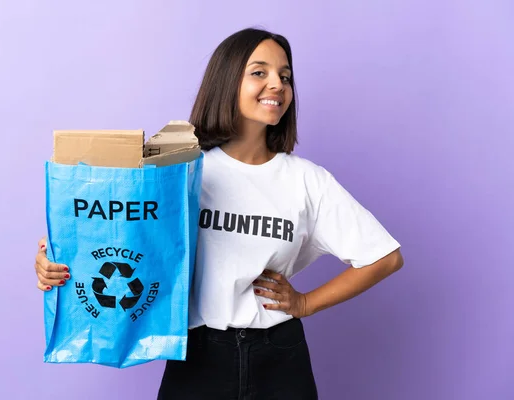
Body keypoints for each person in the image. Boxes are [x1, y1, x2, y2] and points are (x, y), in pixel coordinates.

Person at [34, 28, 404, 399]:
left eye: (285, 76)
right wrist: (60, 260)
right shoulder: (181, 172)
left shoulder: (307, 180)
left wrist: (305, 303)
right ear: (227, 81)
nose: (277, 84)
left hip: (280, 356)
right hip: (197, 355)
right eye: (259, 72)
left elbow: (385, 258)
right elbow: (124, 241)